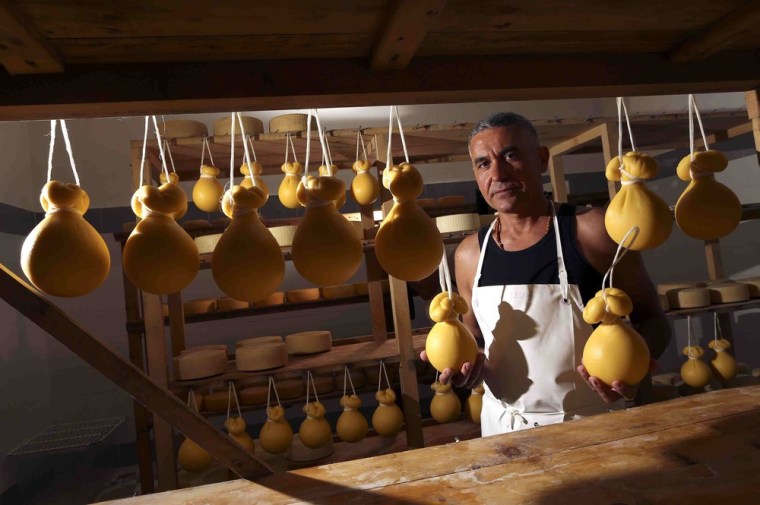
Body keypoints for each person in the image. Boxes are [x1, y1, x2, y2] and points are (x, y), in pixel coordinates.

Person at [423, 112, 671, 436]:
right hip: (502, 431)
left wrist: (633, 370)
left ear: (541, 159)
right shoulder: (471, 254)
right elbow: (476, 342)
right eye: (483, 163)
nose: (497, 173)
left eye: (510, 155)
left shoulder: (591, 230)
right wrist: (465, 367)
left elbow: (653, 320)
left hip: (594, 428)